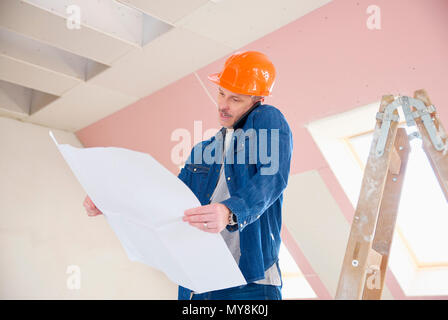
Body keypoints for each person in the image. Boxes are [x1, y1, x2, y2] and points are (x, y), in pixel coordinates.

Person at [83, 51, 293, 300]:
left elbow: (272, 177)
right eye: (221, 94)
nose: (223, 105)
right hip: (197, 281)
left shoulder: (266, 118)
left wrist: (229, 211)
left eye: (235, 99)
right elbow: (168, 201)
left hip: (249, 283)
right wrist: (110, 201)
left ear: (257, 100)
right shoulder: (203, 151)